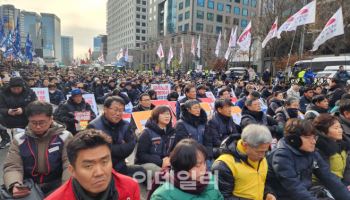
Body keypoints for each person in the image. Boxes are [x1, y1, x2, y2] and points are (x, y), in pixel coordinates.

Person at [266, 119, 350, 200]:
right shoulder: (281, 156)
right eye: (308, 137)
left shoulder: (311, 152)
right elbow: (294, 188)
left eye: (314, 137)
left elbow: (329, 178)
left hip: (306, 193)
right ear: (294, 140)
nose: (314, 142)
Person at [3, 101, 73, 197]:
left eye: (42, 122)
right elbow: (13, 166)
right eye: (34, 123)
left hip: (57, 183)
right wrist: (15, 184)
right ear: (28, 120)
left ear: (51, 119)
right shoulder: (19, 139)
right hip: (28, 185)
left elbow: (69, 164)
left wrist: (66, 187)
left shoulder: (65, 136)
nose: (38, 126)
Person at [45, 129, 140, 200]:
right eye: (88, 166)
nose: (99, 173)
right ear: (72, 170)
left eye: (104, 162)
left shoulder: (130, 187)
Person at [212, 124, 275, 200]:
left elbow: (260, 182)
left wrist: (267, 193)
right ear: (245, 145)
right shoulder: (223, 165)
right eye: (259, 152)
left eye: (265, 151)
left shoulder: (262, 159)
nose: (263, 156)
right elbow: (221, 197)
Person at [150, 139, 224, 200]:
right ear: (182, 168)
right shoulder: (163, 196)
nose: (203, 169)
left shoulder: (211, 180)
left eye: (204, 163)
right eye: (198, 165)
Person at [88, 96, 139, 176]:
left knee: (142, 172)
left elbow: (131, 145)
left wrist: (110, 147)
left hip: (121, 165)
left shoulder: (126, 125)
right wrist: (121, 147)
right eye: (115, 110)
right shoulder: (94, 126)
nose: (118, 113)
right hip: (102, 169)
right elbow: (95, 151)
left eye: (121, 110)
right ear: (105, 109)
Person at [135, 106, 175, 177]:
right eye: (163, 114)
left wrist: (169, 159)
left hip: (167, 161)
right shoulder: (147, 133)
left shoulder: (173, 132)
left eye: (168, 114)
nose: (167, 116)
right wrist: (161, 161)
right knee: (165, 175)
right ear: (156, 115)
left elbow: (175, 149)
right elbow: (141, 155)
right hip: (148, 163)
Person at [313, 114, 350, 186]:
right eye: (336, 128)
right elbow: (324, 175)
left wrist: (347, 183)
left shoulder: (343, 144)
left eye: (340, 127)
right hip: (324, 187)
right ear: (323, 132)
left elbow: (347, 168)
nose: (340, 130)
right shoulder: (320, 148)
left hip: (341, 184)